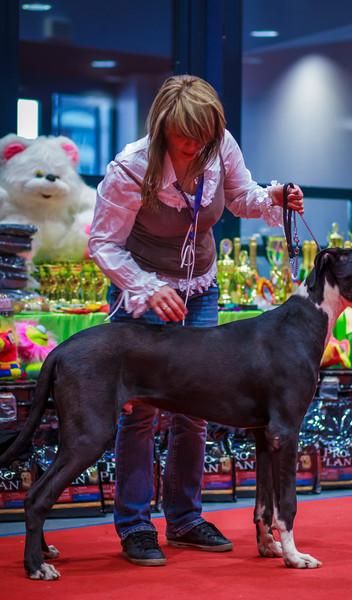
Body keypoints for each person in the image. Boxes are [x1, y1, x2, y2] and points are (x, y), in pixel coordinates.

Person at [88, 74, 304, 567]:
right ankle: (135, 525)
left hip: (200, 289)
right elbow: (102, 244)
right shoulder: (130, 167)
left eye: (203, 138)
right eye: (185, 137)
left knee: (197, 410)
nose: (194, 147)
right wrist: (147, 287)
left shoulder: (219, 144)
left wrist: (273, 198)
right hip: (142, 295)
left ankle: (185, 518)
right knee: (140, 413)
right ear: (163, 126)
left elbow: (242, 198)